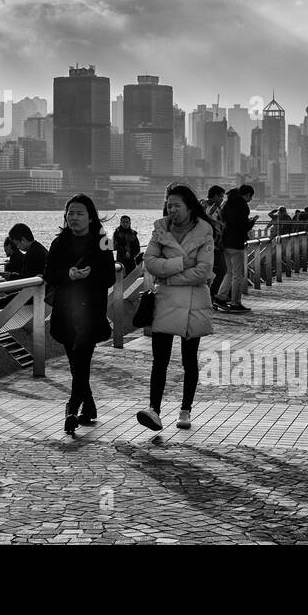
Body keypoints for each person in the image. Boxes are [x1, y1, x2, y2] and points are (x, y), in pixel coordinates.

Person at [137, 185, 215, 433]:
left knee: (188, 360)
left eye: (177, 205)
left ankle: (185, 409)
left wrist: (168, 275)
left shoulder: (205, 232)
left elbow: (204, 271)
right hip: (165, 302)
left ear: (190, 207)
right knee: (159, 359)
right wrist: (182, 262)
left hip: (193, 303)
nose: (172, 210)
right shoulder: (160, 230)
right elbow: (150, 262)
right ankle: (154, 409)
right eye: (169, 205)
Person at [45, 194, 116, 435]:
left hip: (90, 311)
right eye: (70, 213)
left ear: (90, 217)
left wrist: (89, 274)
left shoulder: (103, 242)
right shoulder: (58, 243)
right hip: (65, 311)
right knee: (76, 363)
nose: (74, 218)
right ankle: (90, 405)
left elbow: (109, 277)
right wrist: (69, 274)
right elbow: (50, 274)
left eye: (79, 213)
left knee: (82, 358)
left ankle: (71, 409)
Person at [214, 185, 257, 314]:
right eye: (250, 196)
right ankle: (235, 303)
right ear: (247, 194)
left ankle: (220, 297)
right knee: (238, 275)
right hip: (237, 244)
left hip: (225, 243)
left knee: (229, 272)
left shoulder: (227, 204)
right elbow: (243, 226)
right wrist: (252, 222)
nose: (250, 199)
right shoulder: (243, 206)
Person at [204, 185, 227, 298]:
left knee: (222, 270)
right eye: (221, 196)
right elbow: (203, 221)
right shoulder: (203, 206)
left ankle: (212, 296)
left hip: (217, 245)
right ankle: (212, 296)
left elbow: (220, 224)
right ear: (214, 196)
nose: (222, 199)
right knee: (222, 270)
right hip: (207, 245)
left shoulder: (218, 209)